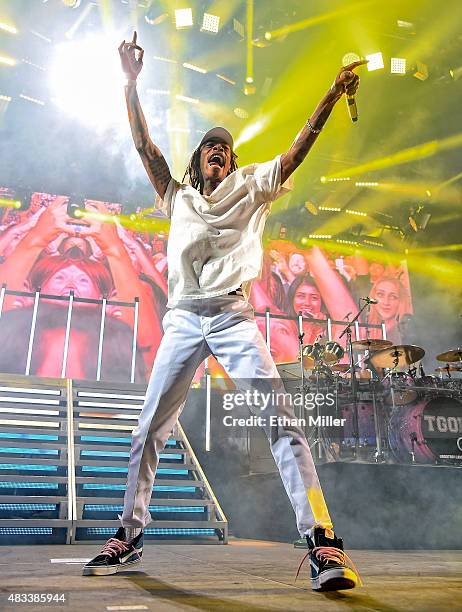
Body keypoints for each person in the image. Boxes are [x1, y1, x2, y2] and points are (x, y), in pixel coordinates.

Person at [83, 31, 365, 592]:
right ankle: (129, 532)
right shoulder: (178, 198)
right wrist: (130, 85)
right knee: (148, 431)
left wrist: (329, 99)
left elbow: (294, 152)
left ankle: (323, 542)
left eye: (226, 147)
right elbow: (146, 149)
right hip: (185, 317)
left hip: (234, 317)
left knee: (283, 425)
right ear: (198, 161)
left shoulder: (251, 186)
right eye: (211, 146)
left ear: (232, 161)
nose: (219, 149)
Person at [366, 276, 412, 345]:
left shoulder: (407, 330)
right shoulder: (367, 330)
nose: (386, 302)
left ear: (401, 301)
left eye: (393, 297)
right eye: (380, 294)